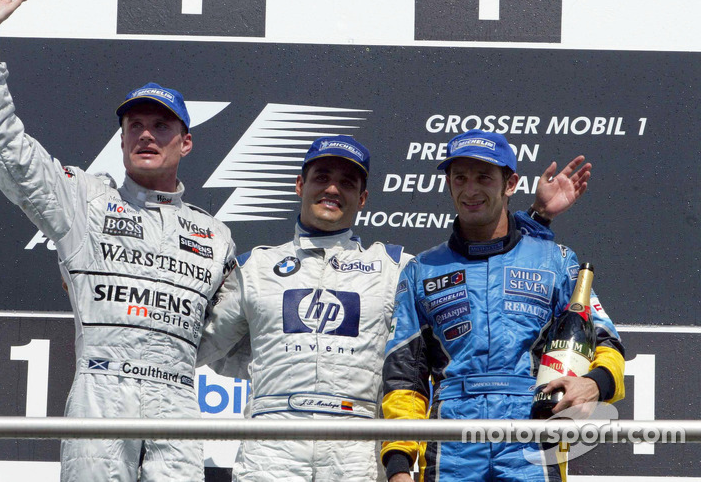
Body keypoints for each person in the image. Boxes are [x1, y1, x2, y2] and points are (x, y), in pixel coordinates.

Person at [0, 0, 236, 482]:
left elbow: (233, 337)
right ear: (122, 136)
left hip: (177, 399)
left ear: (187, 143)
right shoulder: (84, 199)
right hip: (101, 393)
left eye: (161, 125)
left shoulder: (214, 236)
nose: (147, 134)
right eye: (135, 125)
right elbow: (8, 153)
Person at [198, 134, 593, 481]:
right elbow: (205, 348)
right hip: (273, 444)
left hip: (355, 446)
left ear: (363, 197)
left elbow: (485, 259)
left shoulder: (397, 266)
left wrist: (536, 220)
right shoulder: (255, 267)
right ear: (300, 184)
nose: (332, 190)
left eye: (347, 183)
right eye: (321, 178)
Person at [381, 130, 626, 482]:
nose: (470, 190)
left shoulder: (556, 261)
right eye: (459, 178)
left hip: (532, 431)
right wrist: (399, 463)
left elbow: (607, 342)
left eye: (483, 177)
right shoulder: (421, 270)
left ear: (509, 183)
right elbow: (405, 377)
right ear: (449, 185)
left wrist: (595, 384)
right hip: (451, 439)